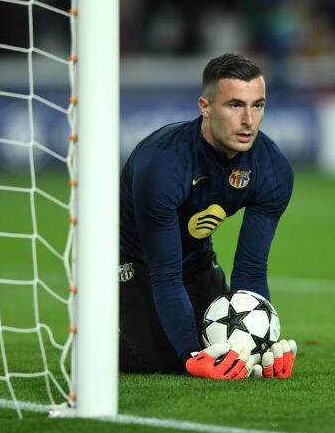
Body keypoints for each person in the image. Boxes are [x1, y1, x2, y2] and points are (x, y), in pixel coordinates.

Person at [119, 53, 297, 379]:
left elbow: (251, 271)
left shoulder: (273, 169)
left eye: (257, 105)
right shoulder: (162, 164)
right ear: (205, 107)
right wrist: (189, 356)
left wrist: (261, 344)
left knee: (233, 351)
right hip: (131, 262)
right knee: (170, 362)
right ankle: (101, 337)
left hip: (198, 262)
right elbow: (165, 275)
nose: (248, 119)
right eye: (235, 105)